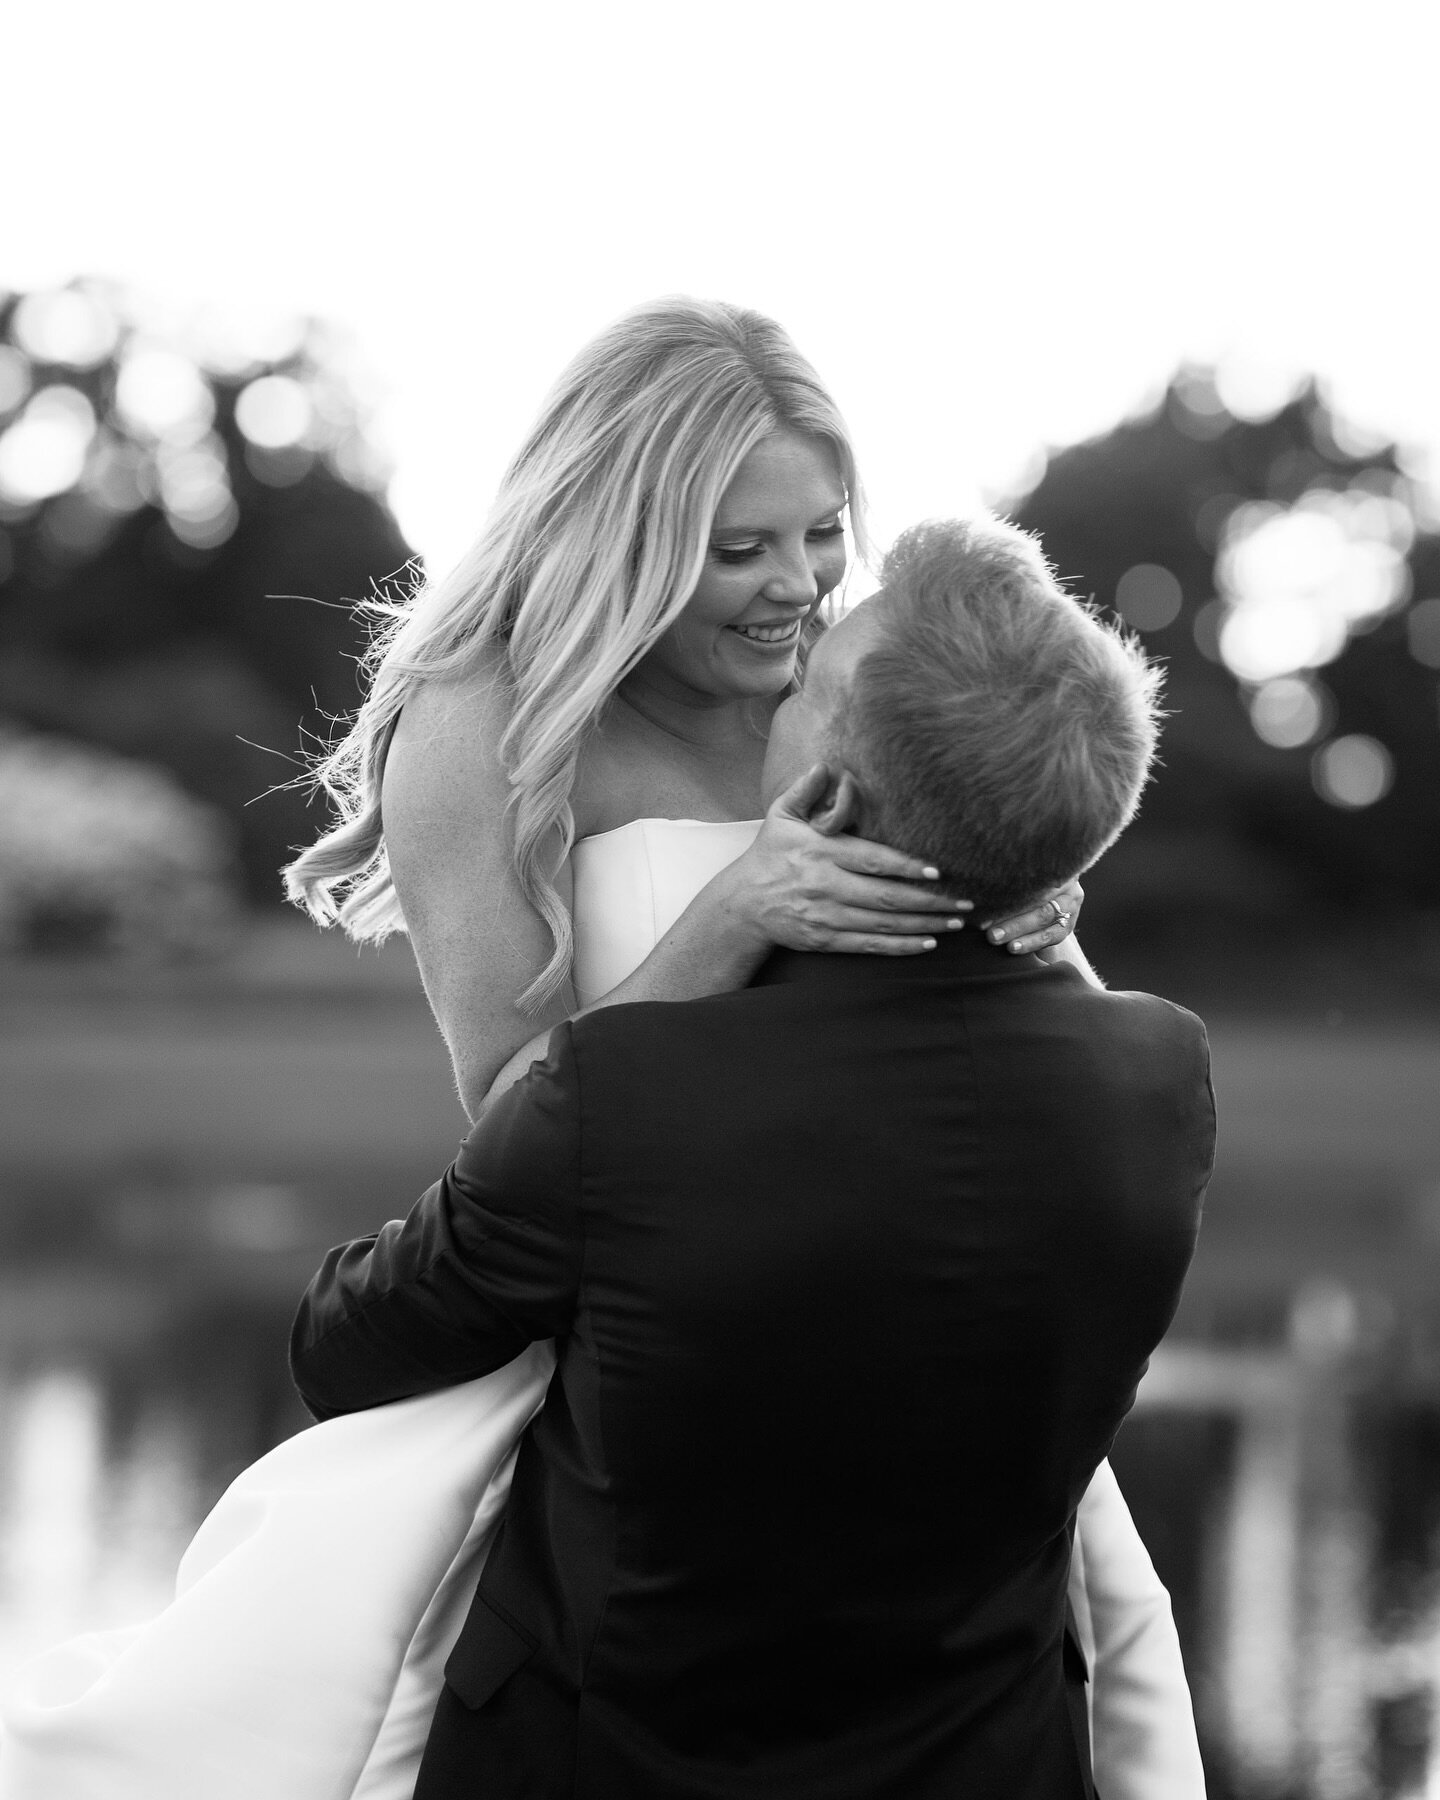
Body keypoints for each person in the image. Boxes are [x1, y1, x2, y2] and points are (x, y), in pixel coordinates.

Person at [0, 304, 1185, 1800]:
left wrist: (1029, 888)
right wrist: (727, 919)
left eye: (820, 533)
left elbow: (976, 1024)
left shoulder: (853, 688)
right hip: (626, 1363)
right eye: (738, 547)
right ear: (620, 525)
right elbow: (516, 1114)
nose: (799, 586)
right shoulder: (489, 721)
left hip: (892, 1351)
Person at [291, 514, 1216, 1798]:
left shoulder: (624, 1093)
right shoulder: (1161, 1077)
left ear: (825, 798)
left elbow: (348, 1347)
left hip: (616, 1757)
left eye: (824, 671)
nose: (803, 629)